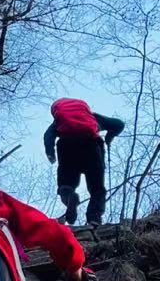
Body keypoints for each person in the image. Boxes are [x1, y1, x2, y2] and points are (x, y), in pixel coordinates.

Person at [43, 97, 125, 226]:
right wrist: (109, 137)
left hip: (67, 148)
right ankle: (94, 218)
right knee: (97, 188)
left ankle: (70, 196)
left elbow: (48, 136)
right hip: (91, 147)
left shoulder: (58, 122)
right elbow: (119, 124)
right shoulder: (93, 118)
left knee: (65, 184)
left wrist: (50, 153)